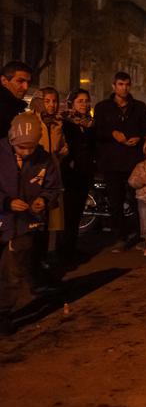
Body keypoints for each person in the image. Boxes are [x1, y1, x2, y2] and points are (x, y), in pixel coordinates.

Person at [0, 113, 63, 335]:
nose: (26, 153)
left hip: (26, 225)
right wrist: (6, 202)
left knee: (13, 271)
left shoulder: (45, 159)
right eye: (21, 148)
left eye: (31, 147)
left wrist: (43, 200)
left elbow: (54, 188)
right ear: (11, 140)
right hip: (3, 219)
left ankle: (3, 314)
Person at [93, 71, 146, 251]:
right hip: (112, 162)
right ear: (113, 86)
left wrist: (139, 138)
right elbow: (97, 131)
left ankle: (143, 236)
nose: (124, 88)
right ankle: (120, 236)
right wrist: (112, 134)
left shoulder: (139, 107)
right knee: (115, 201)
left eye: (127, 84)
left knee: (138, 199)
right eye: (120, 84)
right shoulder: (103, 107)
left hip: (134, 161)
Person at [28, 88, 68, 286]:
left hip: (53, 174)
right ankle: (34, 262)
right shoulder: (32, 120)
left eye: (55, 101)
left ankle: (47, 256)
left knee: (52, 218)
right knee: (37, 219)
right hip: (36, 175)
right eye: (48, 101)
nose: (52, 105)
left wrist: (58, 157)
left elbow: (62, 147)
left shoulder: (58, 123)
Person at [59, 89, 96, 266]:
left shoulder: (89, 124)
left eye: (86, 100)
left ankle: (71, 248)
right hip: (70, 174)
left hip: (84, 173)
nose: (84, 104)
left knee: (77, 215)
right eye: (80, 101)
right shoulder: (66, 123)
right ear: (72, 103)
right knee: (67, 215)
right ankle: (64, 253)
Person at [0, 61, 31, 136]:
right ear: (4, 80)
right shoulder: (3, 109)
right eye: (20, 81)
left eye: (28, 82)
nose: (26, 87)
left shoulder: (13, 107)